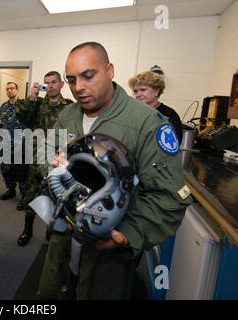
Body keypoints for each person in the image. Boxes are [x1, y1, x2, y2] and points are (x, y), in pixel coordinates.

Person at [37, 42, 192, 299]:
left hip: (108, 254)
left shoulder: (146, 123)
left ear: (109, 70)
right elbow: (45, 150)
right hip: (63, 236)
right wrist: (51, 166)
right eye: (72, 80)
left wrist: (128, 235)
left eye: (88, 76)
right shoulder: (68, 115)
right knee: (52, 293)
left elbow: (169, 198)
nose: (79, 88)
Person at [15, 71, 73, 246]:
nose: (50, 86)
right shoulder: (38, 104)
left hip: (58, 160)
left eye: (54, 82)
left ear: (62, 84)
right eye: (47, 83)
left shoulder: (70, 107)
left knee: (58, 196)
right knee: (31, 193)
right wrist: (31, 98)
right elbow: (20, 115)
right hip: (37, 157)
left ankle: (52, 228)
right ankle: (27, 229)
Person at [128, 70, 183, 142]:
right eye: (135, 91)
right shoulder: (131, 112)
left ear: (157, 90)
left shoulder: (169, 114)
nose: (138, 94)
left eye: (143, 90)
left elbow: (173, 142)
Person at [0, 82, 27, 209]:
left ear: (17, 90)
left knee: (20, 170)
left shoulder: (24, 106)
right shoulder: (3, 107)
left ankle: (24, 196)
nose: (9, 91)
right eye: (7, 89)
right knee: (5, 168)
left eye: (12, 88)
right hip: (5, 143)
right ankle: (10, 189)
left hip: (19, 144)